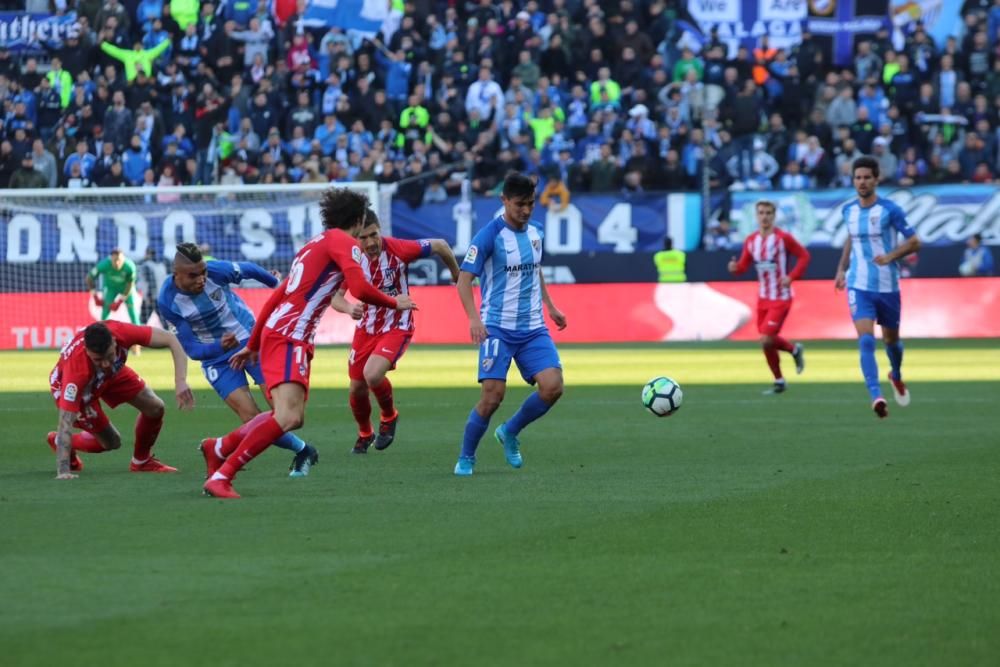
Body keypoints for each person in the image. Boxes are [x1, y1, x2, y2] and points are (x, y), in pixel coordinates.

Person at [199, 188, 417, 499]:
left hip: (281, 332)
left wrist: (255, 342)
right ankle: (223, 474)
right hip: (291, 335)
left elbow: (279, 294)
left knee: (290, 415)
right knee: (288, 416)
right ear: (357, 219)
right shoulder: (344, 243)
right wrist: (395, 302)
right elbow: (359, 287)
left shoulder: (313, 245)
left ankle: (218, 447)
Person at [158, 242, 320, 478]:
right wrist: (218, 346)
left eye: (203, 272)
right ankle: (304, 450)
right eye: (193, 275)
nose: (201, 278)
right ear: (177, 274)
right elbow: (191, 348)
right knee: (251, 417)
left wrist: (276, 286)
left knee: (285, 413)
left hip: (252, 342)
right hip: (216, 359)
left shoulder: (216, 271)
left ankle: (220, 448)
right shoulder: (167, 301)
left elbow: (249, 269)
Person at [453, 172, 568, 476]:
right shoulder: (489, 236)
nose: (526, 211)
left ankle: (510, 431)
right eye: (520, 205)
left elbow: (535, 269)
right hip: (497, 328)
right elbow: (464, 281)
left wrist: (551, 306)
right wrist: (474, 319)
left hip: (532, 327)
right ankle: (466, 457)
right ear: (504, 200)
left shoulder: (536, 232)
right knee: (492, 395)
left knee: (553, 387)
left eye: (531, 204)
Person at [342, 209, 461, 454]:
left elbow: (440, 245)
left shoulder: (398, 248)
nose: (370, 243)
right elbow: (335, 297)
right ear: (356, 238)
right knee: (356, 388)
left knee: (372, 375)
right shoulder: (350, 258)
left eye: (373, 235)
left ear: (380, 231)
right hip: (366, 328)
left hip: (397, 325)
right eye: (363, 238)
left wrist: (456, 274)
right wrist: (348, 308)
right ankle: (365, 434)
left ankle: (389, 416)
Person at [46, 321, 195, 479]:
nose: (105, 364)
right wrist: (63, 471)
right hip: (83, 393)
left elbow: (171, 339)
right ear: (87, 351)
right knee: (111, 442)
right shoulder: (76, 374)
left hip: (112, 376)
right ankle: (58, 441)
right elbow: (65, 423)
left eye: (110, 356)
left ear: (114, 341)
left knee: (155, 407)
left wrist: (180, 381)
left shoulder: (122, 332)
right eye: (98, 359)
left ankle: (141, 462)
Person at [835, 156, 921, 418]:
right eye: (858, 178)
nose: (862, 182)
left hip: (887, 287)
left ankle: (895, 374)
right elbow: (851, 238)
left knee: (891, 342)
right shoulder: (848, 210)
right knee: (866, 340)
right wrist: (842, 268)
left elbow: (914, 242)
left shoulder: (890, 210)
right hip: (858, 285)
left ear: (876, 179)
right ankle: (876, 396)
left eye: (866, 177)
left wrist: (891, 256)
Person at [728, 200, 810, 394]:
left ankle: (790, 358)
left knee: (766, 339)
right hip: (762, 298)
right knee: (767, 340)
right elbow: (742, 266)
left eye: (768, 213)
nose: (764, 217)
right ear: (756, 217)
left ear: (774, 216)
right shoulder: (751, 241)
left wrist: (791, 277)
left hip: (781, 297)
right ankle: (781, 377)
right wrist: (734, 268)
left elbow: (804, 256)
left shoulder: (783, 238)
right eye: (761, 213)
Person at [86, 249, 140, 325]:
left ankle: (138, 332)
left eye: (119, 260)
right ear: (111, 259)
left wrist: (120, 301)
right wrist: (95, 296)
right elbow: (89, 278)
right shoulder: (104, 265)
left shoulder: (130, 267)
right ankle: (103, 332)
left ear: (123, 259)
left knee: (132, 311)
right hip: (111, 289)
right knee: (105, 312)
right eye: (115, 260)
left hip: (126, 289)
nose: (117, 263)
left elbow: (130, 284)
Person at [137, 248, 168, 324]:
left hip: (151, 297)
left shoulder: (147, 266)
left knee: (143, 320)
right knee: (164, 321)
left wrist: (149, 296)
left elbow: (151, 282)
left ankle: (140, 335)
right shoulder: (162, 266)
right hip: (161, 297)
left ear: (148, 254)